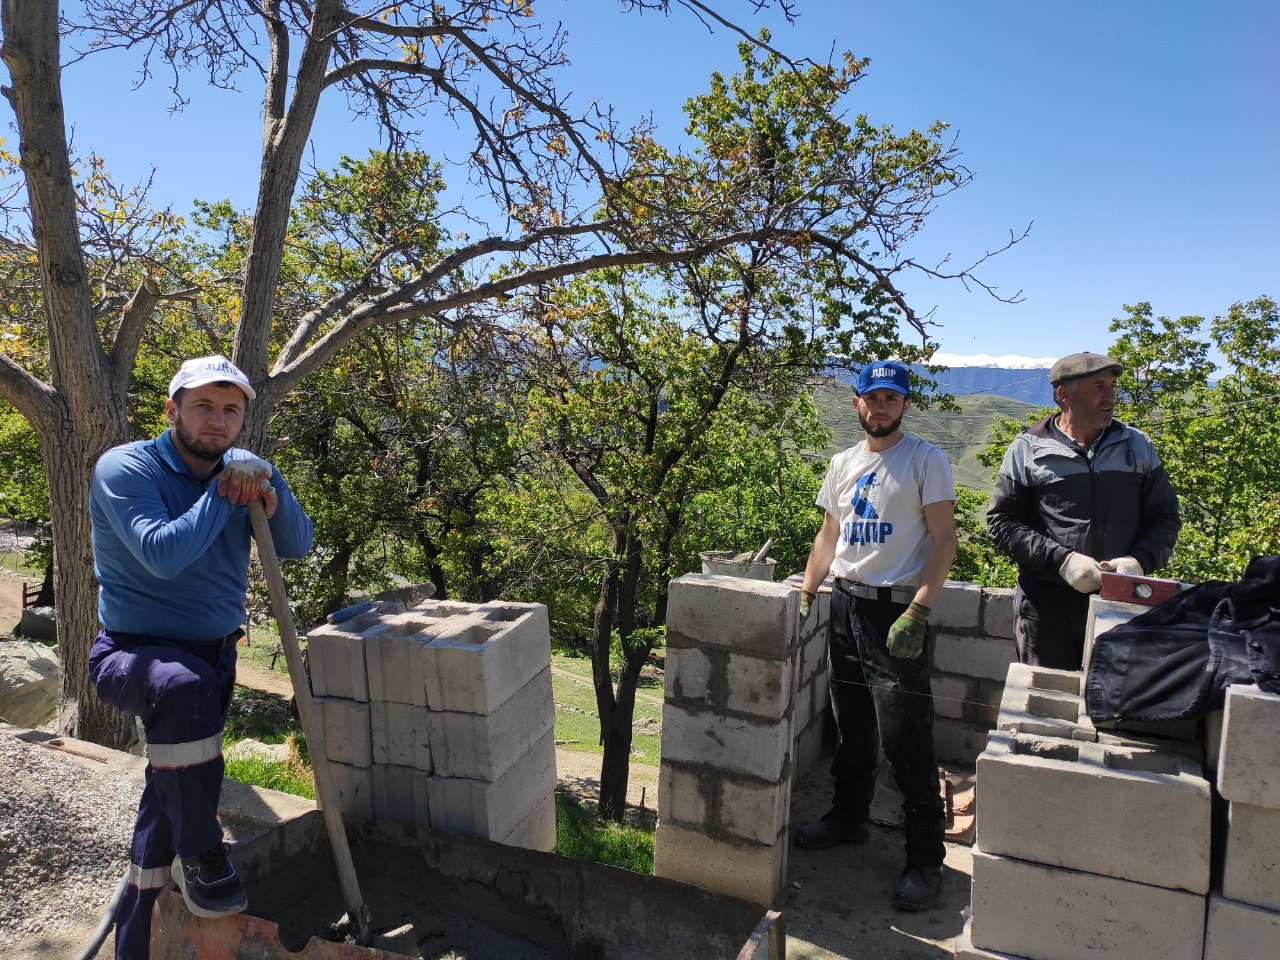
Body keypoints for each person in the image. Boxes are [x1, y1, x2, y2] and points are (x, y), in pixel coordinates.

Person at [87, 356, 313, 960]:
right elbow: (162, 555)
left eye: (230, 410)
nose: (217, 420)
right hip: (135, 654)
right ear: (173, 410)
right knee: (182, 707)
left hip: (215, 658)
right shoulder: (126, 468)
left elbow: (297, 545)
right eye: (204, 406)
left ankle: (136, 944)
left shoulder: (244, 471)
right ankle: (205, 853)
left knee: (168, 803)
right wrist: (223, 494)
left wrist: (270, 487)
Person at [794, 360, 957, 912]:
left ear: (905, 405)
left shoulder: (925, 460)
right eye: (872, 397)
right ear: (857, 403)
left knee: (906, 737)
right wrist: (808, 590)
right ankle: (848, 819)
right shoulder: (843, 463)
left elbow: (944, 541)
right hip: (845, 605)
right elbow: (829, 534)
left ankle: (925, 859)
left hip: (896, 614)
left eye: (891, 398)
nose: (881, 407)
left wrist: (920, 610)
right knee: (852, 726)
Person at [986, 351, 1181, 670]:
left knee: (1110, 696)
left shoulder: (1137, 446)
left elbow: (1165, 518)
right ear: (1064, 394)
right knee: (1046, 696)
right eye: (1099, 386)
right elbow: (1002, 522)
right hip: (1046, 607)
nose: (1111, 396)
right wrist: (1062, 561)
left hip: (1120, 603)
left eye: (1112, 386)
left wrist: (1140, 561)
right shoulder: (1028, 448)